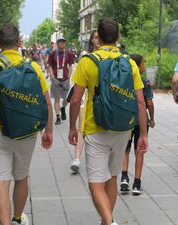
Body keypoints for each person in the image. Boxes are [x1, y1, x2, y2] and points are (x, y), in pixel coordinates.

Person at [0, 23, 53, 225]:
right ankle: (17, 218)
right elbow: (46, 101)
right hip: (26, 132)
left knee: (0, 181)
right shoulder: (32, 67)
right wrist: (48, 130)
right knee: (21, 177)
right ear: (19, 42)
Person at [69, 18, 148, 225]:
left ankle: (110, 222)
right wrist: (144, 133)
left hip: (96, 127)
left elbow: (76, 99)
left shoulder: (87, 61)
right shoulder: (130, 62)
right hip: (123, 128)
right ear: (118, 37)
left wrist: (72, 128)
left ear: (98, 38)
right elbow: (140, 100)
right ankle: (107, 221)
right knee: (112, 177)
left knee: (95, 184)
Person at [120, 54, 155, 195]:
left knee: (125, 149)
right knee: (139, 149)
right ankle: (137, 183)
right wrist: (151, 118)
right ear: (137, 65)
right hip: (141, 120)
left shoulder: (123, 81)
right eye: (143, 63)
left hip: (126, 119)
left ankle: (123, 178)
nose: (144, 66)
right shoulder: (145, 82)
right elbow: (149, 103)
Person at [70, 30, 100, 172]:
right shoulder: (86, 57)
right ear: (91, 40)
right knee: (81, 127)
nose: (98, 40)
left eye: (99, 37)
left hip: (100, 101)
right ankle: (77, 158)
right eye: (95, 37)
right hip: (85, 97)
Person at [48, 37, 74, 125]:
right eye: (60, 42)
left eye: (63, 42)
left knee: (66, 98)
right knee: (56, 99)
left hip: (65, 79)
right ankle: (58, 117)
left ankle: (63, 108)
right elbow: (50, 65)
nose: (62, 43)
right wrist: (52, 76)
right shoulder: (52, 54)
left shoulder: (68, 53)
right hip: (56, 79)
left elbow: (70, 65)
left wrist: (69, 76)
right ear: (57, 43)